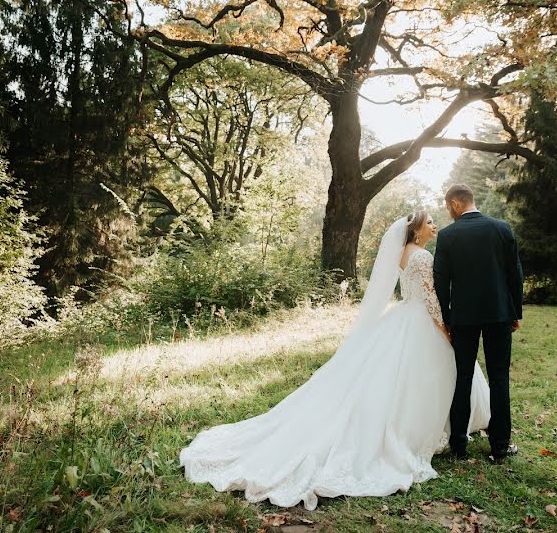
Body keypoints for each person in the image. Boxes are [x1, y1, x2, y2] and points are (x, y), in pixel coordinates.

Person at [179, 210, 490, 510]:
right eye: (430, 222)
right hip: (421, 320)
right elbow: (432, 298)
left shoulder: (402, 253)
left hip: (404, 317)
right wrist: (444, 328)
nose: (435, 226)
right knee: (428, 377)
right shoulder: (422, 256)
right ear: (417, 229)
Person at [433, 184, 523, 462]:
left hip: (463, 318)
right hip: (499, 314)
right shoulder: (502, 228)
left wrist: (447, 320)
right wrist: (515, 312)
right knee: (499, 378)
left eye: (449, 207)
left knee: (462, 377)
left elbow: (440, 283)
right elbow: (515, 274)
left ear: (457, 203)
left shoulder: (448, 236)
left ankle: (459, 444)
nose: (448, 212)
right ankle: (499, 445)